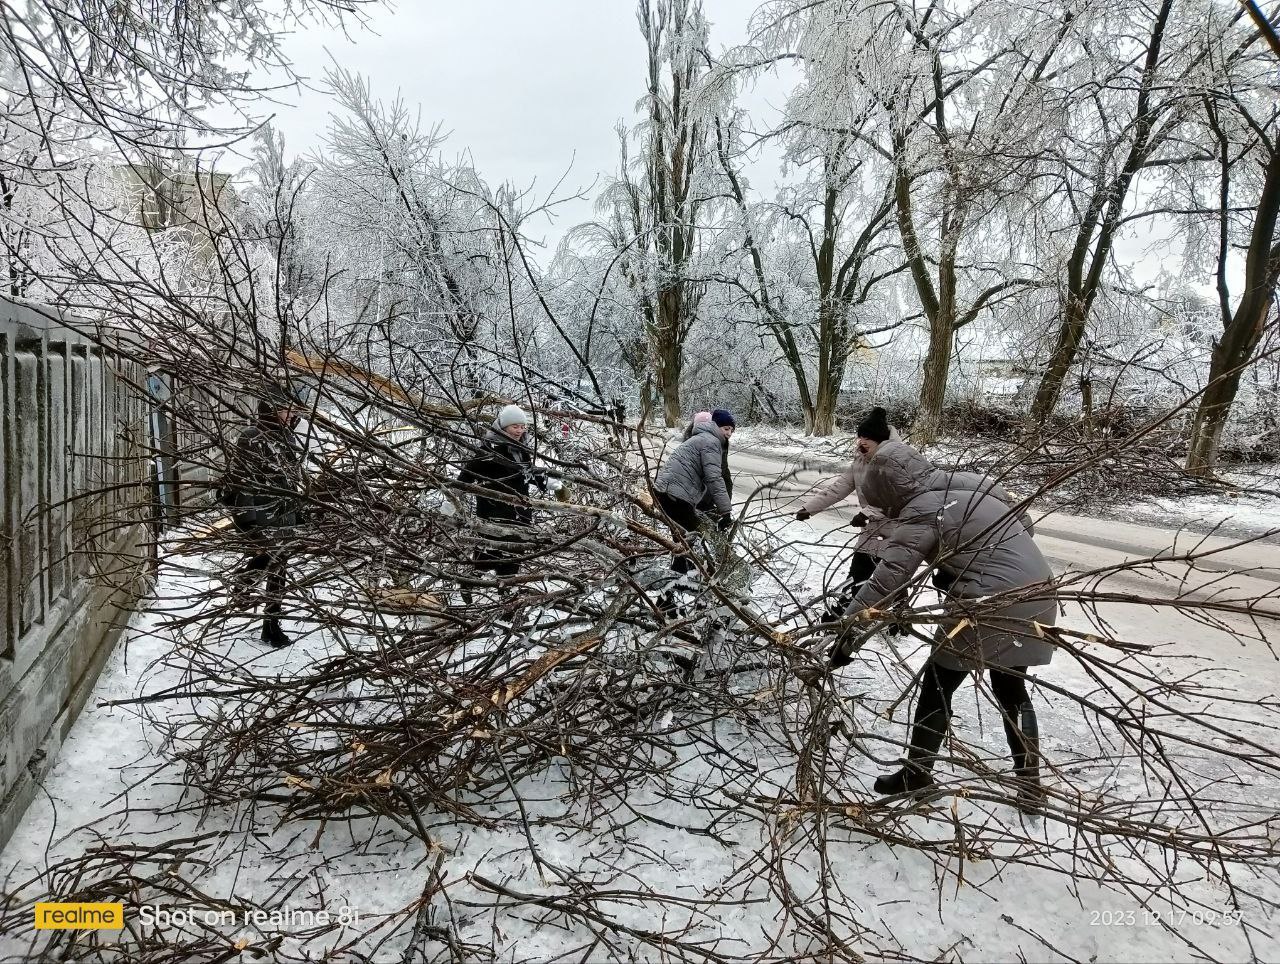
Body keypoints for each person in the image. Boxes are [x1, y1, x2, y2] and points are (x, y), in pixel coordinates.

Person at [831, 436, 1057, 810]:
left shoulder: (921, 509)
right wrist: (962, 562)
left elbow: (888, 580)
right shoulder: (973, 482)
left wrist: (848, 633)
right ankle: (1030, 785)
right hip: (1037, 594)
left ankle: (917, 774)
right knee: (1011, 687)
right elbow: (1025, 526)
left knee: (938, 683)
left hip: (986, 603)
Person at [223, 381, 306, 648]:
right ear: (271, 409)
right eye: (287, 409)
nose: (292, 414)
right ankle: (244, 584)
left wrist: (300, 512)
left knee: (279, 568)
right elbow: (241, 481)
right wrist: (248, 523)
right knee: (271, 560)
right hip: (262, 515)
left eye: (294, 410)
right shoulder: (252, 437)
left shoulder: (288, 437)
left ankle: (271, 625)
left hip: (285, 514)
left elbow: (291, 480)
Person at [794, 406, 899, 617]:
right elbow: (838, 488)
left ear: (880, 441)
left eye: (867, 438)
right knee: (859, 571)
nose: (862, 441)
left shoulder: (895, 462)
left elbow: (894, 497)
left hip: (898, 529)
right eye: (860, 437)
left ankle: (899, 618)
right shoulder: (860, 462)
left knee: (890, 578)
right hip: (873, 528)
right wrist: (810, 508)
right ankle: (843, 612)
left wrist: (867, 513)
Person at [458, 404, 547, 582]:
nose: (519, 431)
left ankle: (506, 590)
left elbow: (525, 474)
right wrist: (452, 499)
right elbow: (466, 476)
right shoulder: (489, 449)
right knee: (488, 554)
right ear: (504, 426)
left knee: (514, 555)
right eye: (515, 427)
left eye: (523, 427)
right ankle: (470, 584)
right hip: (493, 512)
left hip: (519, 513)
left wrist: (546, 482)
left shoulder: (521, 450)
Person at [652, 411, 735, 575]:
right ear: (715, 426)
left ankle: (676, 585)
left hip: (667, 492)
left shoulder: (701, 438)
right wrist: (725, 512)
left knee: (683, 541)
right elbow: (714, 478)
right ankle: (677, 584)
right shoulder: (711, 442)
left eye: (731, 430)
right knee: (687, 540)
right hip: (675, 495)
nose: (729, 433)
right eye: (726, 428)